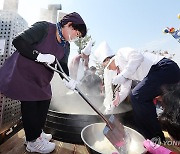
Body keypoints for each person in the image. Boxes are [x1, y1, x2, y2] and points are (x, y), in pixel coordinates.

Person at [0, 12, 87, 153]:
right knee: (30, 100)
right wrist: (39, 56)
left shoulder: (66, 46)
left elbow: (62, 66)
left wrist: (68, 80)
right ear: (69, 25)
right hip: (25, 72)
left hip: (42, 78)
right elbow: (18, 41)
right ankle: (32, 141)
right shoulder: (45, 28)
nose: (75, 38)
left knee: (45, 98)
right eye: (76, 34)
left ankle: (37, 133)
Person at [107, 47, 179, 142]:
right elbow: (125, 88)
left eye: (106, 66)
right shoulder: (121, 70)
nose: (108, 69)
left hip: (163, 68)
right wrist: (115, 102)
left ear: (109, 60)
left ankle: (154, 137)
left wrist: (123, 75)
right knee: (171, 105)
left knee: (137, 97)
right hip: (162, 73)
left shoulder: (121, 53)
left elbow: (137, 56)